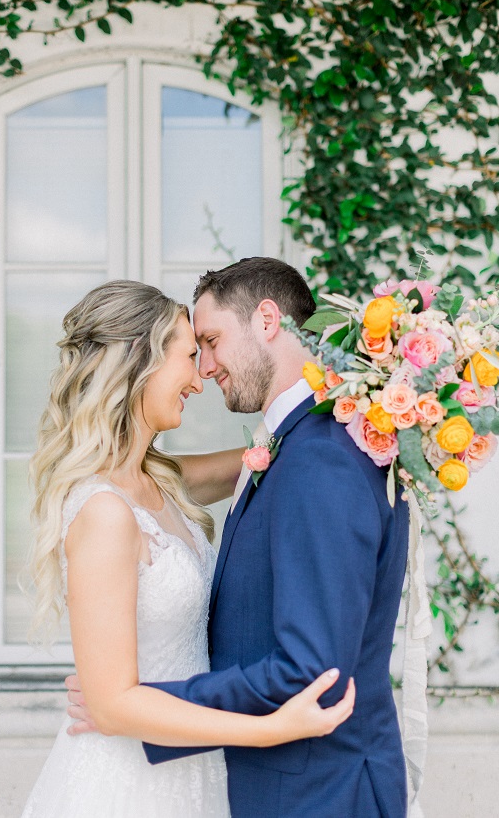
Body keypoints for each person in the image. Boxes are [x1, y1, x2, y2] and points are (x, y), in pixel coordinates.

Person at [67, 259, 410, 818]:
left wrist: (137, 704)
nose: (205, 369)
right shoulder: (292, 447)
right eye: (193, 350)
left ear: (268, 321)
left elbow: (312, 671)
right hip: (272, 784)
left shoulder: (320, 457)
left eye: (211, 340)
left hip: (320, 792)